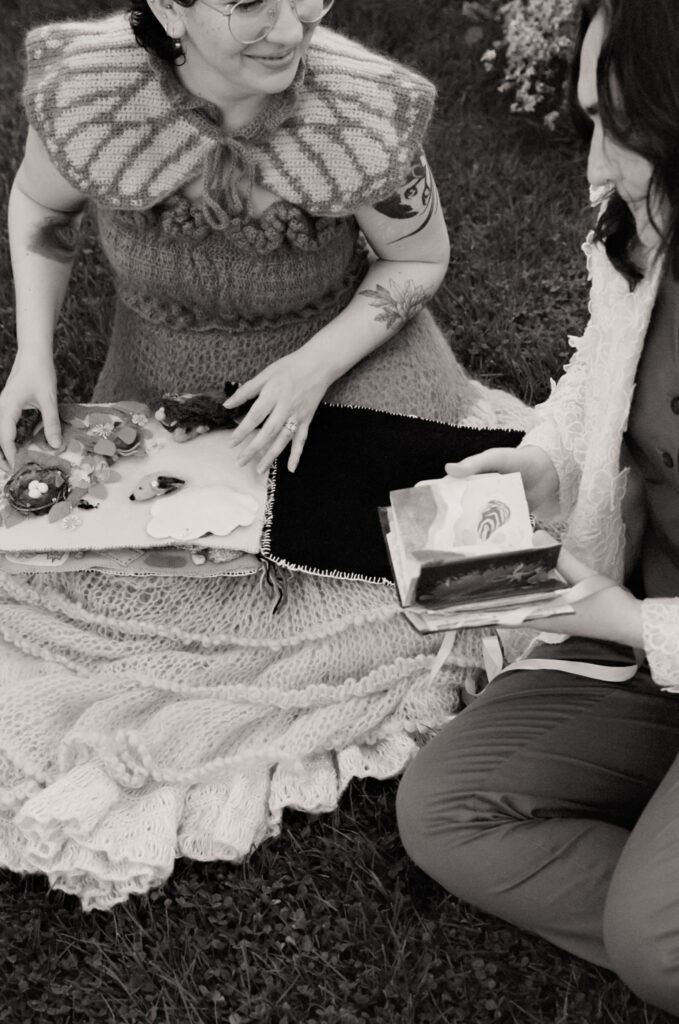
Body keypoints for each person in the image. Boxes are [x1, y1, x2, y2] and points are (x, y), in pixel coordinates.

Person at [0, 0, 528, 909]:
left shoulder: (364, 110)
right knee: (166, 573)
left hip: (349, 365)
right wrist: (32, 355)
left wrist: (312, 368)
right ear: (168, 6)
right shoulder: (88, 92)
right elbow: (41, 212)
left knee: (455, 571)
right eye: (247, 2)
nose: (288, 26)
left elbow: (417, 258)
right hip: (177, 383)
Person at [397, 0, 679, 1013]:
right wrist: (529, 472)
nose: (594, 164)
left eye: (621, 124)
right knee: (445, 810)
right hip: (655, 643)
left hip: (642, 626)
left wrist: (608, 615)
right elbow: (592, 391)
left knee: (653, 944)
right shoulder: (644, 236)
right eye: (587, 120)